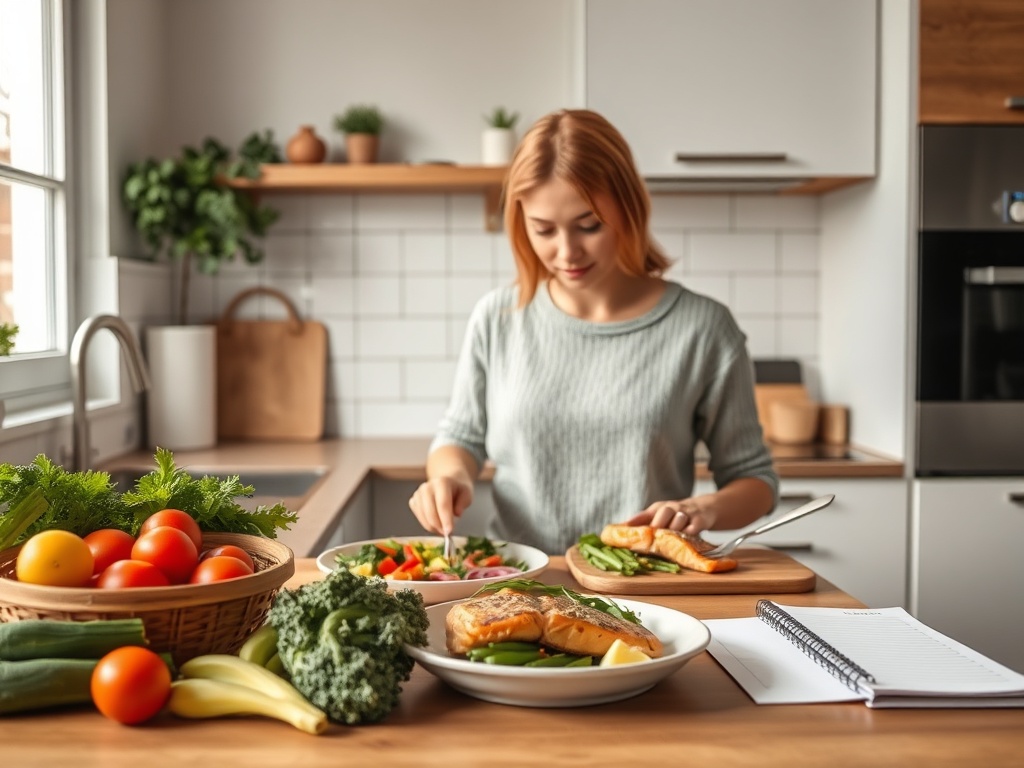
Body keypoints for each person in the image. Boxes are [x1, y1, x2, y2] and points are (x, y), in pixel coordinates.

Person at [408, 109, 778, 555]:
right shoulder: (497, 317)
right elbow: (461, 437)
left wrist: (703, 509)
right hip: (519, 579)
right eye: (544, 230)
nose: (567, 252)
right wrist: (449, 478)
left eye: (589, 226)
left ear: (629, 209)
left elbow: (755, 480)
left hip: (643, 580)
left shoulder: (704, 329)